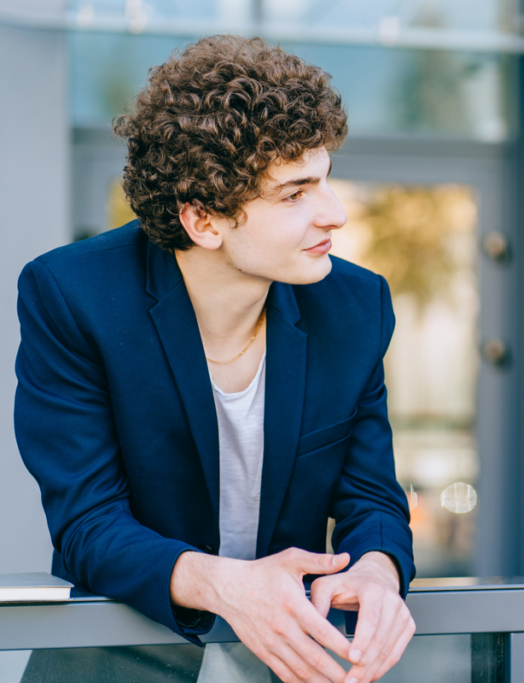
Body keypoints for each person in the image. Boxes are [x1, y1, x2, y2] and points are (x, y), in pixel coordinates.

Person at [15, 36, 414, 683]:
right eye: (295, 194)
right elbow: (88, 523)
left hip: (291, 662)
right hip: (116, 661)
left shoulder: (356, 304)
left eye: (327, 180)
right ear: (204, 220)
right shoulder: (73, 295)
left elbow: (371, 497)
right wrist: (225, 584)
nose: (335, 214)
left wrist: (377, 568)